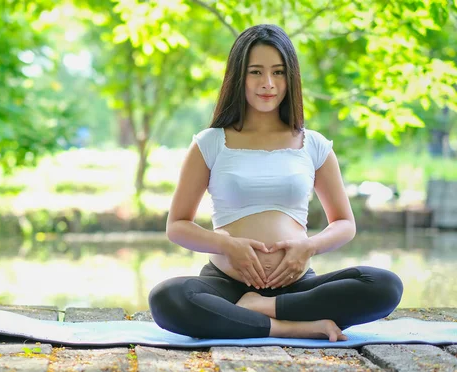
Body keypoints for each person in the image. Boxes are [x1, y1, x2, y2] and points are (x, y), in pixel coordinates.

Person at [148, 24, 403, 342]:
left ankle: (262, 309)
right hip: (227, 286)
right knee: (167, 298)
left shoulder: (314, 144)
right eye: (255, 72)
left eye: (278, 72)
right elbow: (178, 225)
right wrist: (227, 245)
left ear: (290, 77)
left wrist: (308, 248)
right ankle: (289, 327)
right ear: (238, 77)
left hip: (296, 286)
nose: (267, 84)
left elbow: (344, 223)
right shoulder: (210, 142)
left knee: (385, 286)